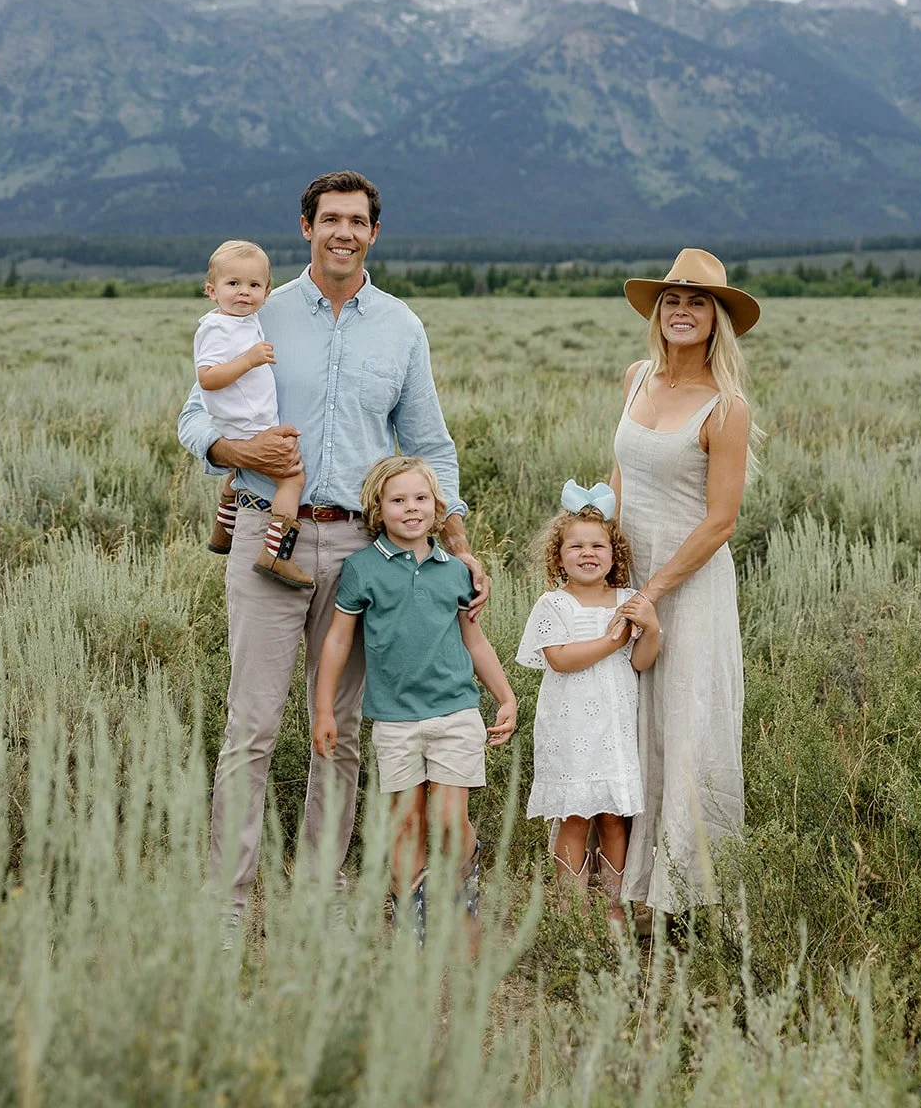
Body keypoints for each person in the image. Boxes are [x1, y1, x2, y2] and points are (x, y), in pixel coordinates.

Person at [176, 171, 487, 924]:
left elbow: (428, 445)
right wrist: (241, 451)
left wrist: (459, 544)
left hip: (360, 547)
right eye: (330, 219)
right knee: (250, 724)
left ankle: (317, 888)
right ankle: (230, 898)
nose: (343, 232)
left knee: (341, 729)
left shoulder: (400, 327)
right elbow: (194, 420)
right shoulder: (258, 311)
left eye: (357, 220)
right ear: (306, 227)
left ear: (373, 232)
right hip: (265, 532)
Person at [611, 248, 761, 922]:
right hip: (628, 576)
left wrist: (655, 590)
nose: (680, 311)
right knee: (629, 720)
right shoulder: (635, 377)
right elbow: (620, 475)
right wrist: (607, 561)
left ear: (716, 320)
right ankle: (630, 884)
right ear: (657, 312)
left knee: (685, 725)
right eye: (672, 300)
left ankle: (684, 895)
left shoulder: (725, 409)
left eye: (696, 302)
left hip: (688, 586)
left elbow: (719, 520)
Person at [313, 456, 516, 944]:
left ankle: (465, 908)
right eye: (398, 500)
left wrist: (505, 696)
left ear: (437, 507)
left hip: (455, 712)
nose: (411, 508)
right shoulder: (361, 569)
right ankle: (412, 927)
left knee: (449, 819)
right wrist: (324, 709)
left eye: (421, 499)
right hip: (395, 720)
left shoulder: (456, 572)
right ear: (377, 510)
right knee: (406, 823)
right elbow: (338, 641)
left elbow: (476, 642)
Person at [516, 482, 659, 925]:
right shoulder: (553, 604)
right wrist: (609, 639)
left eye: (598, 545)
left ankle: (616, 906)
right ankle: (572, 910)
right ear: (558, 557)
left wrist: (650, 629)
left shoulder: (626, 601)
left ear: (614, 555)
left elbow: (638, 661)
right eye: (575, 546)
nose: (587, 553)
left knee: (615, 817)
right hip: (569, 726)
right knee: (575, 815)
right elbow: (559, 660)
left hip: (615, 725)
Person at [194, 239, 308, 588]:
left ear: (267, 291)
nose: (244, 293)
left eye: (254, 285)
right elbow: (207, 378)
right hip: (248, 423)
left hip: (245, 419)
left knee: (238, 474)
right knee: (292, 477)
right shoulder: (218, 328)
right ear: (212, 291)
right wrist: (249, 360)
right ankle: (275, 553)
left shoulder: (243, 320)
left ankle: (223, 530)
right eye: (233, 284)